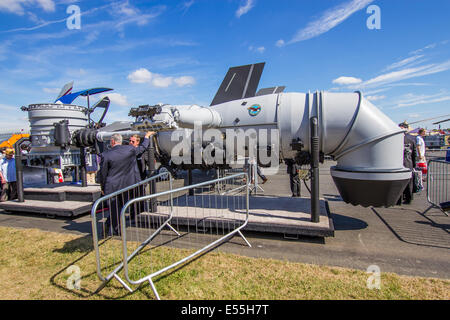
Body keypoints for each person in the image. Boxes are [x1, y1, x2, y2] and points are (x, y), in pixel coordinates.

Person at [96, 131, 155, 236]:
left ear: (112, 142)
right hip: (126, 185)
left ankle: (113, 229)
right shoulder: (130, 150)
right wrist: (146, 137)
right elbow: (143, 147)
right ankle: (114, 228)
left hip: (112, 186)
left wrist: (103, 187)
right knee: (120, 207)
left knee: (115, 208)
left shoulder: (106, 155)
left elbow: (103, 174)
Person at [397, 123, 417, 205]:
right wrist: (414, 164)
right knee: (409, 182)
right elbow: (414, 154)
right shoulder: (412, 139)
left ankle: (399, 200)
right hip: (409, 163)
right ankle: (409, 199)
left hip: (399, 163)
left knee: (399, 182)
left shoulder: (397, 139)